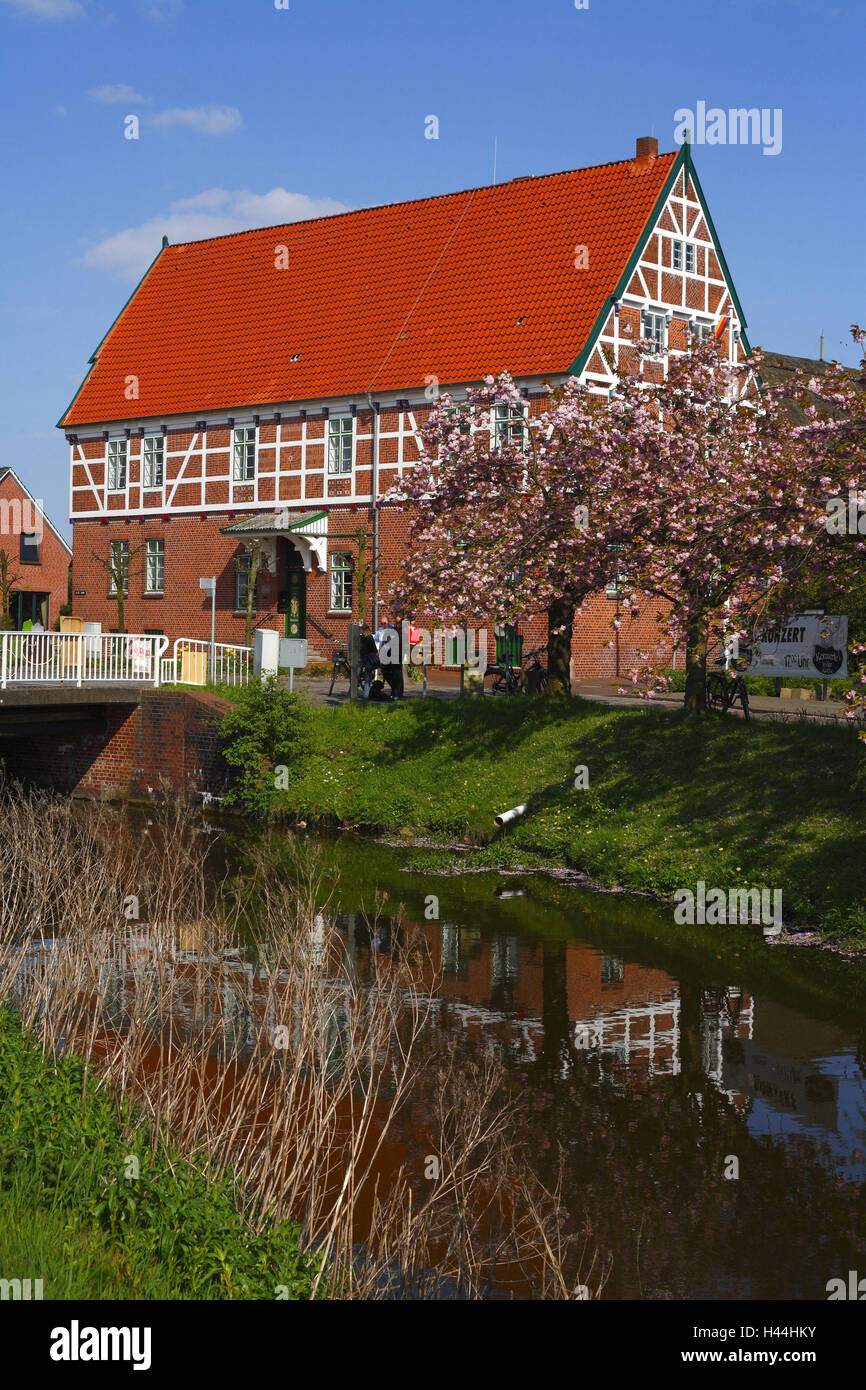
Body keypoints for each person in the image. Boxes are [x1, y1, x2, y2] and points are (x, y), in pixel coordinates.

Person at [375, 613, 404, 700]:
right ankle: (395, 689)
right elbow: (377, 641)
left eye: (385, 623)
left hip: (394, 653)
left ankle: (398, 693)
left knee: (396, 673)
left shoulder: (393, 630)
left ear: (389, 623)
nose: (383, 625)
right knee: (385, 672)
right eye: (382, 623)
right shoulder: (380, 631)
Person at [358, 623, 380, 699]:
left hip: (361, 660)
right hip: (368, 661)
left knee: (356, 677)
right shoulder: (370, 637)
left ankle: (351, 694)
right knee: (367, 679)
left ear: (362, 630)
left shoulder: (360, 638)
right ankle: (366, 696)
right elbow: (374, 650)